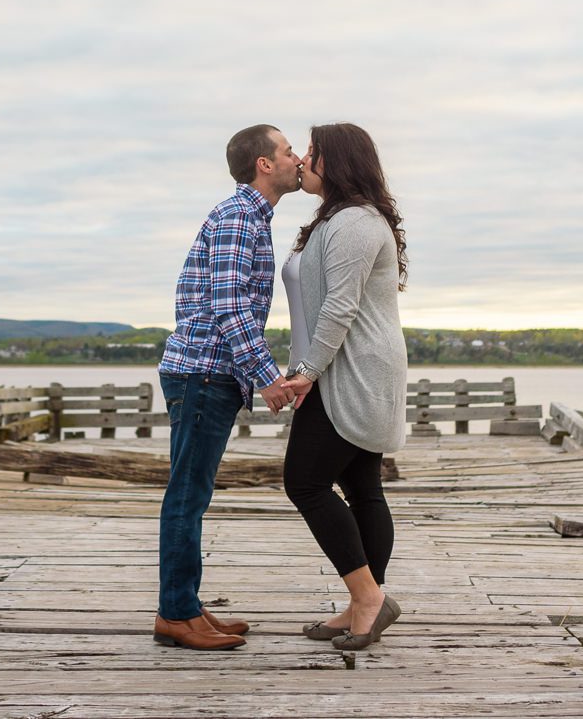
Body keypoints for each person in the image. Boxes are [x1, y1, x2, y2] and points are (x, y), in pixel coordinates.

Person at [153, 123, 311, 650]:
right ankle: (175, 615)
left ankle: (187, 606)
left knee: (192, 492)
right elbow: (229, 306)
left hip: (208, 371)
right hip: (201, 372)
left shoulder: (250, 217)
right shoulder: (238, 217)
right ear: (264, 164)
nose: (297, 157)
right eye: (288, 151)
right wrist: (266, 378)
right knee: (187, 495)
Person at [276, 122, 409, 651]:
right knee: (360, 486)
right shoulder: (334, 219)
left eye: (313, 152)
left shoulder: (354, 222)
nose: (304, 159)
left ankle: (368, 599)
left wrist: (306, 371)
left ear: (339, 160)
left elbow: (340, 307)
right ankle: (363, 602)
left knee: (304, 482)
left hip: (352, 368)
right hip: (341, 364)